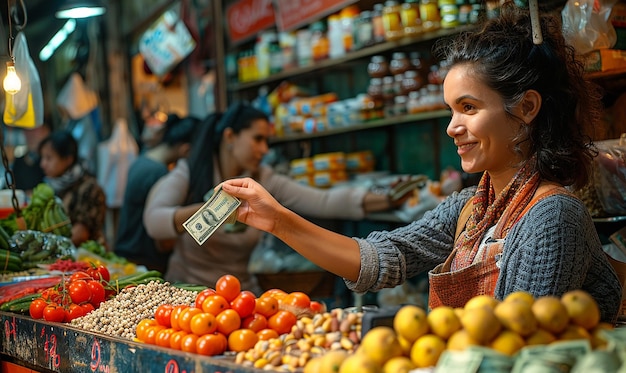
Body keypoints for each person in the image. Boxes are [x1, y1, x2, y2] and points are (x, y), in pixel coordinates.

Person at [220, 2, 623, 323]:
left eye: (468, 107)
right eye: (451, 110)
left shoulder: (553, 216)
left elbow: (520, 349)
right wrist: (276, 219)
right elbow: (381, 259)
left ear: (527, 107)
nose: (453, 127)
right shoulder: (469, 208)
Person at [143, 103, 407, 293]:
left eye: (267, 141)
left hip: (240, 297)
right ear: (230, 136)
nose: (264, 150)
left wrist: (389, 198)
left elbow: (324, 201)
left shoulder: (262, 180)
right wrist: (214, 208)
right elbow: (153, 222)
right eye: (257, 139)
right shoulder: (190, 171)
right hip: (187, 292)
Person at [114, 115, 198, 273]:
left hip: (127, 248)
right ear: (185, 149)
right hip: (142, 257)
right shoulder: (159, 173)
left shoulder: (142, 160)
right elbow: (162, 238)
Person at [39, 130, 106, 247]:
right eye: (42, 158)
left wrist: (48, 248)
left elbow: (80, 234)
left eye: (49, 158)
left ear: (68, 159)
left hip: (85, 258)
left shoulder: (89, 188)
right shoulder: (50, 186)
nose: (43, 164)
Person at [11, 124, 50, 196]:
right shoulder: (19, 161)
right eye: (27, 130)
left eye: (34, 130)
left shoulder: (51, 162)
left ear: (46, 130)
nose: (30, 134)